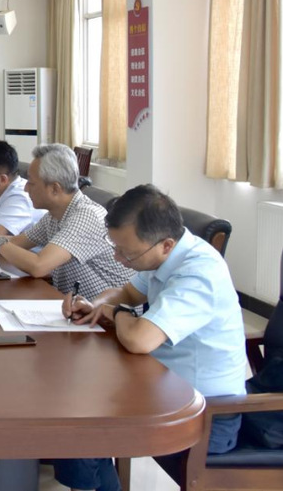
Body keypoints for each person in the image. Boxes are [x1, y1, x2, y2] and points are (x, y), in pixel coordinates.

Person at [54, 185, 247, 491]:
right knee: (70, 407)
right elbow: (128, 293)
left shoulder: (199, 273)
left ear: (166, 245)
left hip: (205, 414)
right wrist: (97, 304)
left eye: (127, 253)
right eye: (116, 247)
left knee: (80, 427)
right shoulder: (165, 254)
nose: (118, 258)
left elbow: (139, 340)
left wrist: (117, 312)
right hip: (164, 386)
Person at [0, 144, 132, 300]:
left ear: (55, 188)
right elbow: (17, 242)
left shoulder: (87, 216)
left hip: (108, 315)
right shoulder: (54, 215)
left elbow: (39, 266)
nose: (26, 188)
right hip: (73, 306)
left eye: (31, 182)